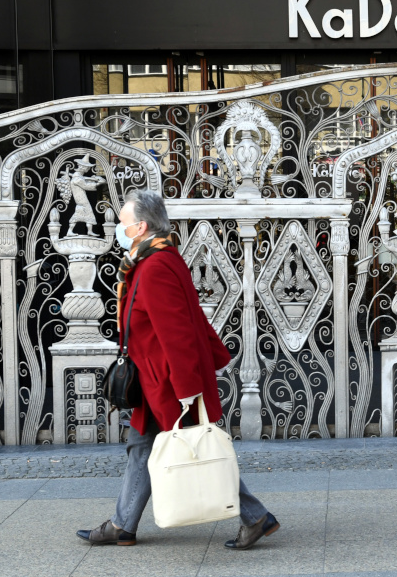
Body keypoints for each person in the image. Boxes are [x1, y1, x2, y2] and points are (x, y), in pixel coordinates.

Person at [77, 189, 280, 550]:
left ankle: (255, 517)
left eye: (123, 223)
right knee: (143, 446)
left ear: (141, 226)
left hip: (168, 383)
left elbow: (177, 331)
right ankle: (122, 525)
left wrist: (187, 388)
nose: (118, 229)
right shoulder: (155, 259)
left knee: (197, 449)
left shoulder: (154, 267)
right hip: (155, 378)